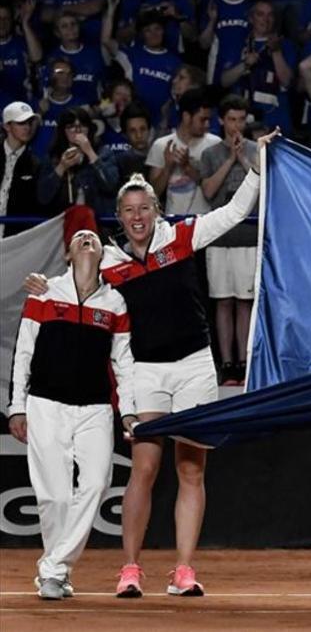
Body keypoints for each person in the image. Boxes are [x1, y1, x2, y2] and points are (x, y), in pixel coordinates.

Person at [23, 128, 282, 598]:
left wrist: (258, 168)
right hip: (144, 372)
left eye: (145, 208)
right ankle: (130, 569)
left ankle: (183, 571)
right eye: (128, 211)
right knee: (143, 468)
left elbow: (234, 213)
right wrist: (45, 283)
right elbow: (72, 279)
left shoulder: (182, 236)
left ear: (156, 211)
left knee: (191, 470)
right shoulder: (109, 261)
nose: (137, 217)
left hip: (194, 366)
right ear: (118, 217)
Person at [7, 229, 135, 601]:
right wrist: (16, 406)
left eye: (92, 237)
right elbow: (24, 353)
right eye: (79, 237)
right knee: (55, 497)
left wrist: (127, 412)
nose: (86, 239)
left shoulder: (115, 303)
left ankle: (53, 567)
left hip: (95, 407)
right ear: (67, 253)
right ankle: (57, 574)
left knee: (96, 483)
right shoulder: (44, 293)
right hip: (45, 404)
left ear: (101, 254)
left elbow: (123, 364)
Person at [198, 95, 259, 386]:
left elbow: (263, 186)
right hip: (219, 236)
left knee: (245, 301)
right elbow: (209, 191)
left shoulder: (257, 150)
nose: (237, 126)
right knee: (222, 301)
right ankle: (227, 364)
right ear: (222, 121)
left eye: (241, 120)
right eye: (231, 119)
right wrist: (230, 160)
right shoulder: (210, 154)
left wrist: (244, 159)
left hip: (249, 236)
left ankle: (245, 363)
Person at [220, 0, 297, 135]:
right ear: (251, 18)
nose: (265, 19)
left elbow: (288, 82)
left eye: (270, 15)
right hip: (242, 119)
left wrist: (276, 52)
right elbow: (224, 81)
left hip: (276, 119)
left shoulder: (286, 45)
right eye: (260, 14)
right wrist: (245, 64)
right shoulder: (237, 43)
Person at [145, 88, 221, 216]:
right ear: (186, 117)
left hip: (206, 221)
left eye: (209, 119)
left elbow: (215, 189)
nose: (208, 125)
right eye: (202, 120)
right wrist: (168, 168)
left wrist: (187, 166)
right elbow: (154, 193)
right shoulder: (161, 145)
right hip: (172, 221)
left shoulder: (215, 144)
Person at [37, 107, 120, 217]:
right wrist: (61, 167)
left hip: (97, 223)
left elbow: (111, 186)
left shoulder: (103, 153)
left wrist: (90, 153)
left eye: (82, 125)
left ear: (89, 129)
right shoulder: (53, 157)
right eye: (71, 126)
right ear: (63, 131)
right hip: (62, 224)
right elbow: (43, 197)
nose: (77, 130)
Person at [199, 0, 252, 86]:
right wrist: (212, 20)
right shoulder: (213, 5)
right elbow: (203, 44)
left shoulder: (252, 7)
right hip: (217, 71)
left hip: (245, 71)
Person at [1, 101, 46, 238]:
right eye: (21, 123)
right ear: (7, 126)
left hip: (16, 238)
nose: (27, 127)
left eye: (29, 123)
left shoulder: (36, 164)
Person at [0, 0, 42, 109]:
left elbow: (37, 57)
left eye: (6, 19)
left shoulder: (21, 42)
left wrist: (25, 23)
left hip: (22, 106)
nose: (2, 23)